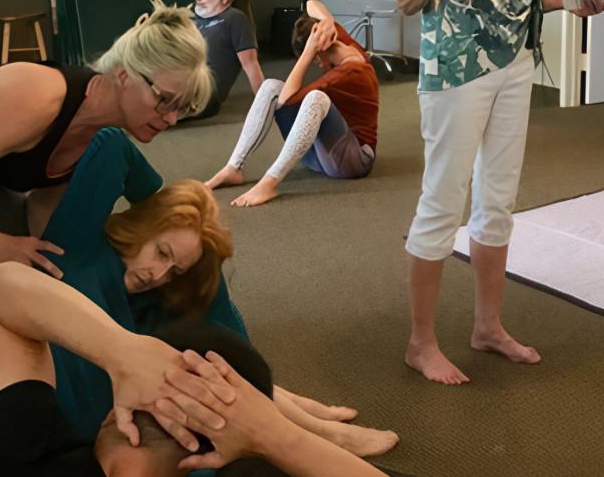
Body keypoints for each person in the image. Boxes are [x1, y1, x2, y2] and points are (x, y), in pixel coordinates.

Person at [0, 0, 211, 403]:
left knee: (29, 251)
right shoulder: (42, 97)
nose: (172, 119)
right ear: (124, 75)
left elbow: (41, 233)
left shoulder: (93, 141)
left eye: (183, 109)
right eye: (165, 101)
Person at [396, 0, 604, 385]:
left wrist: (572, 1)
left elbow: (517, 2)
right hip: (454, 74)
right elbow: (405, 0)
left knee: (499, 200)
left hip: (513, 69)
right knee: (443, 198)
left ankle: (487, 327)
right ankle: (420, 342)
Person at [45, 127, 397, 457]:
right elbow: (112, 143)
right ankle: (315, 429)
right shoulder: (79, 246)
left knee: (204, 271)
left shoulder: (148, 284)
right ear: (144, 225)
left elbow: (211, 320)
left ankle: (275, 396)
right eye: (161, 252)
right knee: (196, 353)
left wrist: (184, 251)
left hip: (131, 353)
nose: (158, 274)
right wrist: (156, 201)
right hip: (103, 409)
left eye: (171, 268)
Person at [0, 261, 389, 476]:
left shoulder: (24, 462)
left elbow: (2, 288)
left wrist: (124, 351)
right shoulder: (254, 469)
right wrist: (274, 436)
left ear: (120, 412)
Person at [205, 0, 379, 207]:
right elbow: (312, 4)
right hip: (323, 155)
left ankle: (269, 183)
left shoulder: (351, 72)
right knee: (270, 86)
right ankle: (233, 167)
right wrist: (327, 20)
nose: (318, 63)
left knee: (315, 98)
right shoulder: (336, 38)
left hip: (353, 162)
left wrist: (307, 54)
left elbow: (286, 101)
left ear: (320, 48)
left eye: (316, 58)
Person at [188, 0, 264, 120]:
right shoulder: (191, 16)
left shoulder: (235, 19)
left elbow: (250, 64)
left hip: (204, 95)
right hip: (179, 80)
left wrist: (265, 104)